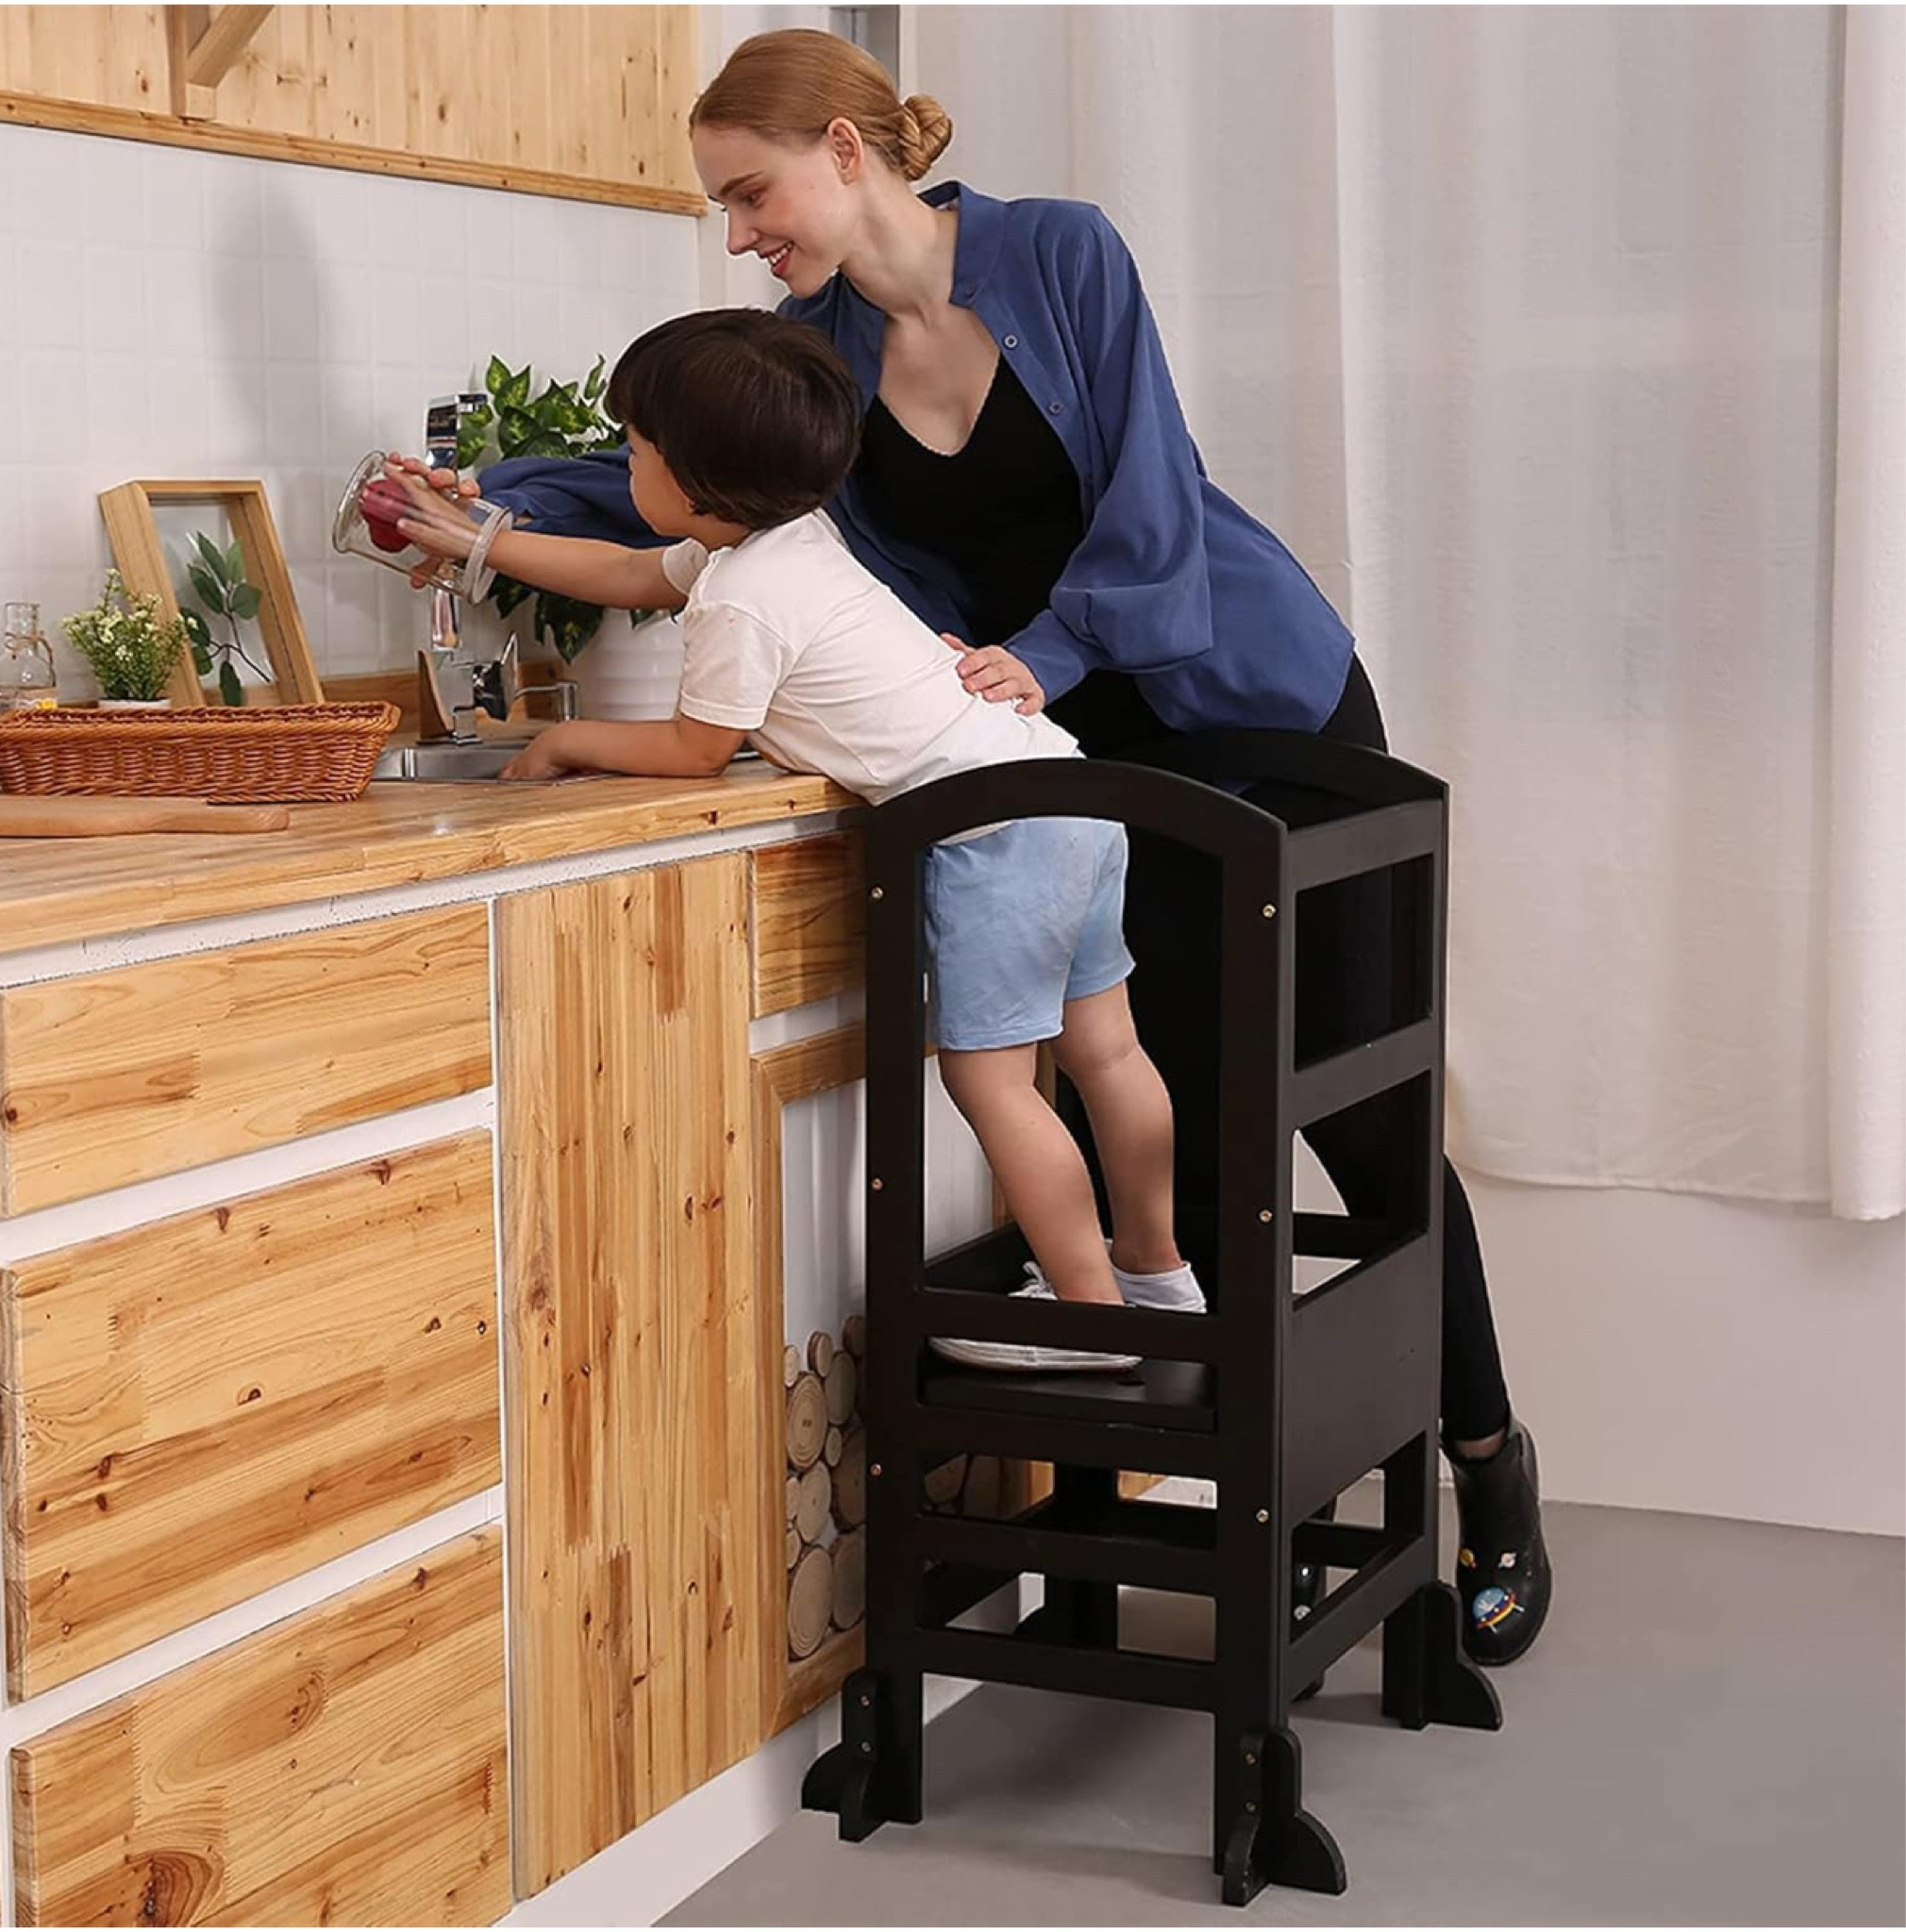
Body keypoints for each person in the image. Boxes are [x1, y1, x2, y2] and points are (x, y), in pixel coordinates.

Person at [406, 26, 1551, 1671]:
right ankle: (1270, 1509)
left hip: (1253, 708)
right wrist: (480, 492)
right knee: (1182, 1106)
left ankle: (1489, 1464)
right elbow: (677, 478)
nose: (739, 229)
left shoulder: (1058, 253)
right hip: (1064, 760)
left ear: (848, 154)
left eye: (750, 191)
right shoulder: (806, 353)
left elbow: (1153, 511)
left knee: (1359, 1116)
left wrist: (1051, 651)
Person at [380, 308, 1207, 1376]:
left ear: (694, 481)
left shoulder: (745, 600)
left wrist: (564, 740)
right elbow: (628, 574)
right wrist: (480, 538)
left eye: (634, 449)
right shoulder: (790, 544)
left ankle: (1088, 1322)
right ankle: (1156, 1273)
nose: (625, 464)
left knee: (993, 1079)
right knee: (1108, 1049)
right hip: (1061, 781)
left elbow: (693, 746)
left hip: (988, 829)